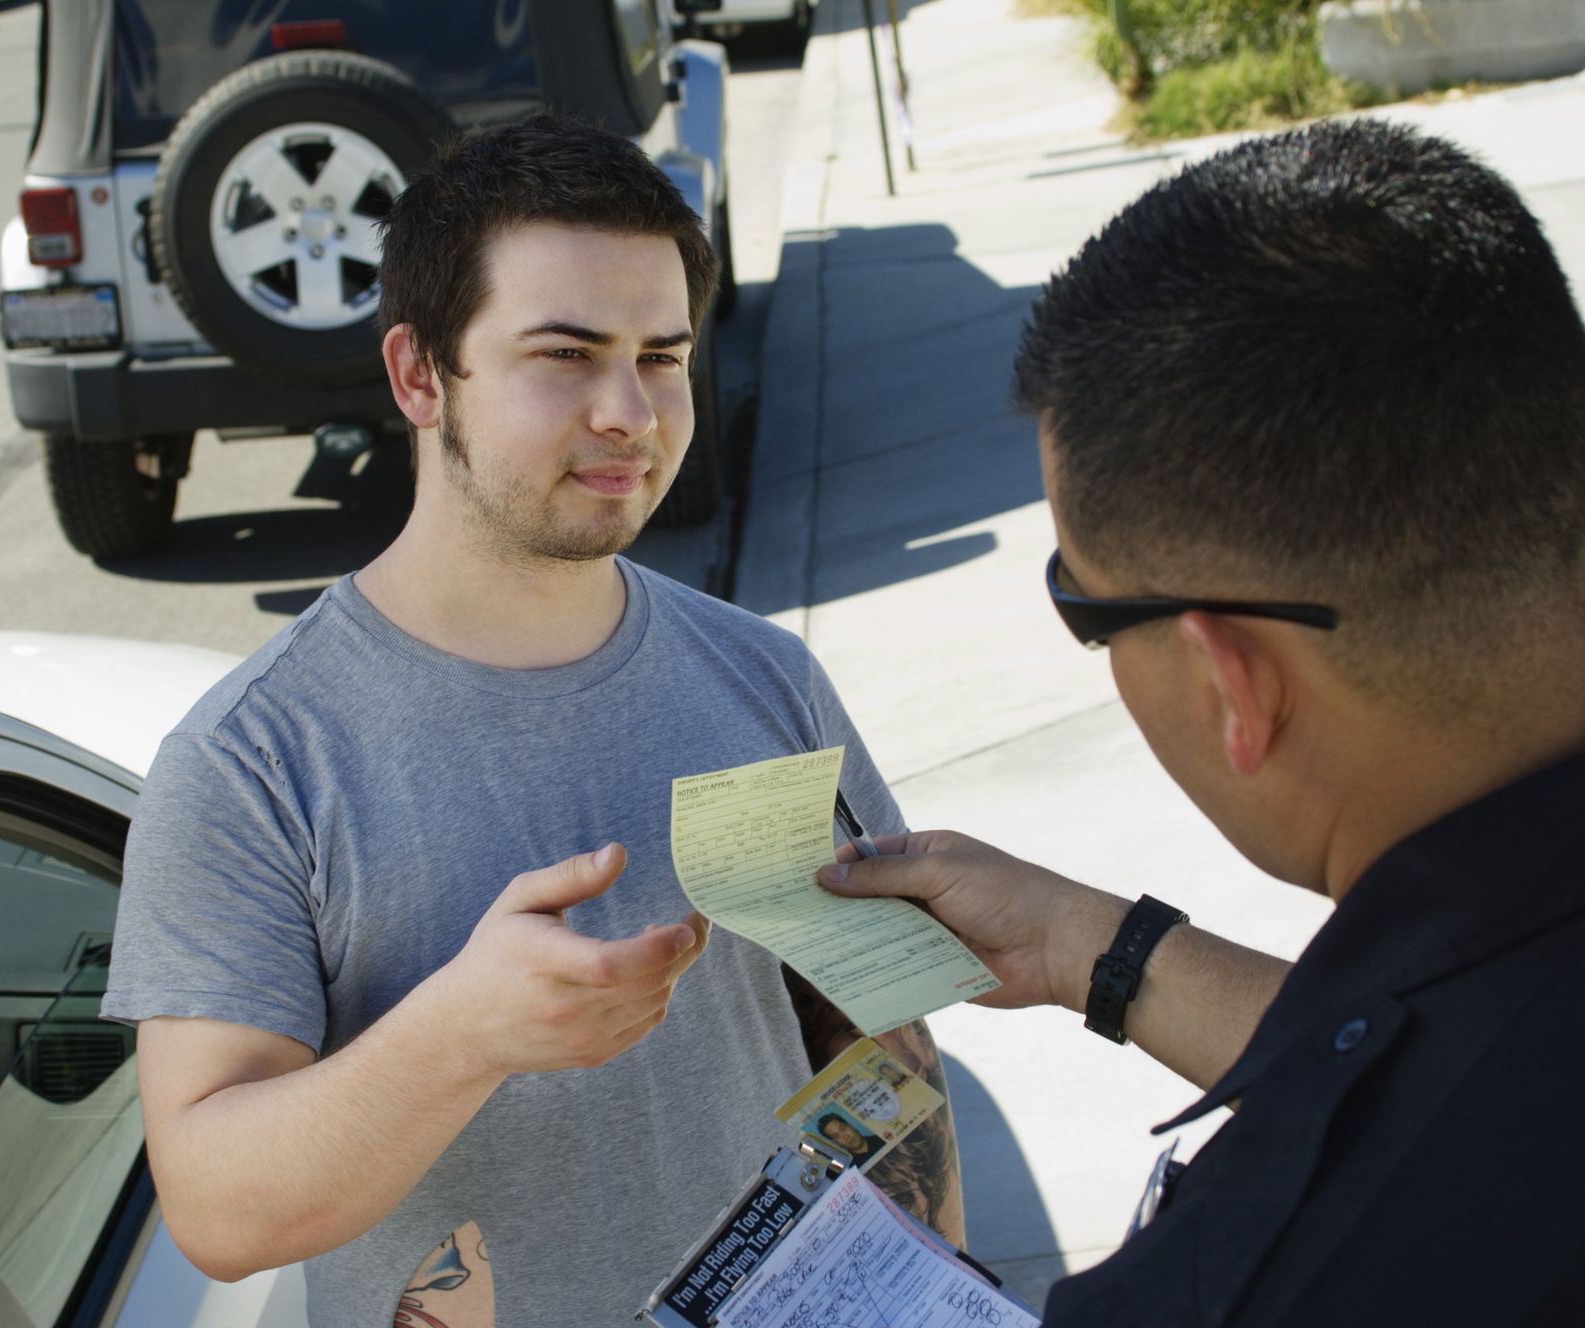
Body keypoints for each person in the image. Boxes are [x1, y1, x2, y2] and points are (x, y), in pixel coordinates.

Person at [99, 117, 963, 1328]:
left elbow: (880, 1039)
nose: (630, 410)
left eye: (662, 357)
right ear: (417, 376)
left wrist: (928, 1295)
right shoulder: (250, 763)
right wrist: (464, 1032)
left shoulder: (762, 677)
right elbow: (218, 1209)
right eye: (563, 353)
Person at [820, 119, 1585, 1324]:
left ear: (1233, 680)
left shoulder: (1261, 1282)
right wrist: (1085, 946)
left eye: (1079, 599)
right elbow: (1481, 1055)